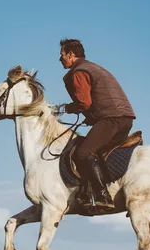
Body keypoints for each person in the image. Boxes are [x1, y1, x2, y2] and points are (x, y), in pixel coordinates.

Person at [58, 38, 136, 210]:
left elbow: (84, 103)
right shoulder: (95, 67)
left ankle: (103, 196)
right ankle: (90, 191)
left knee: (83, 152)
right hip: (125, 118)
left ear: (71, 55)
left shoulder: (78, 72)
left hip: (111, 119)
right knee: (98, 151)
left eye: (61, 54)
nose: (60, 59)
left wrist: (64, 108)